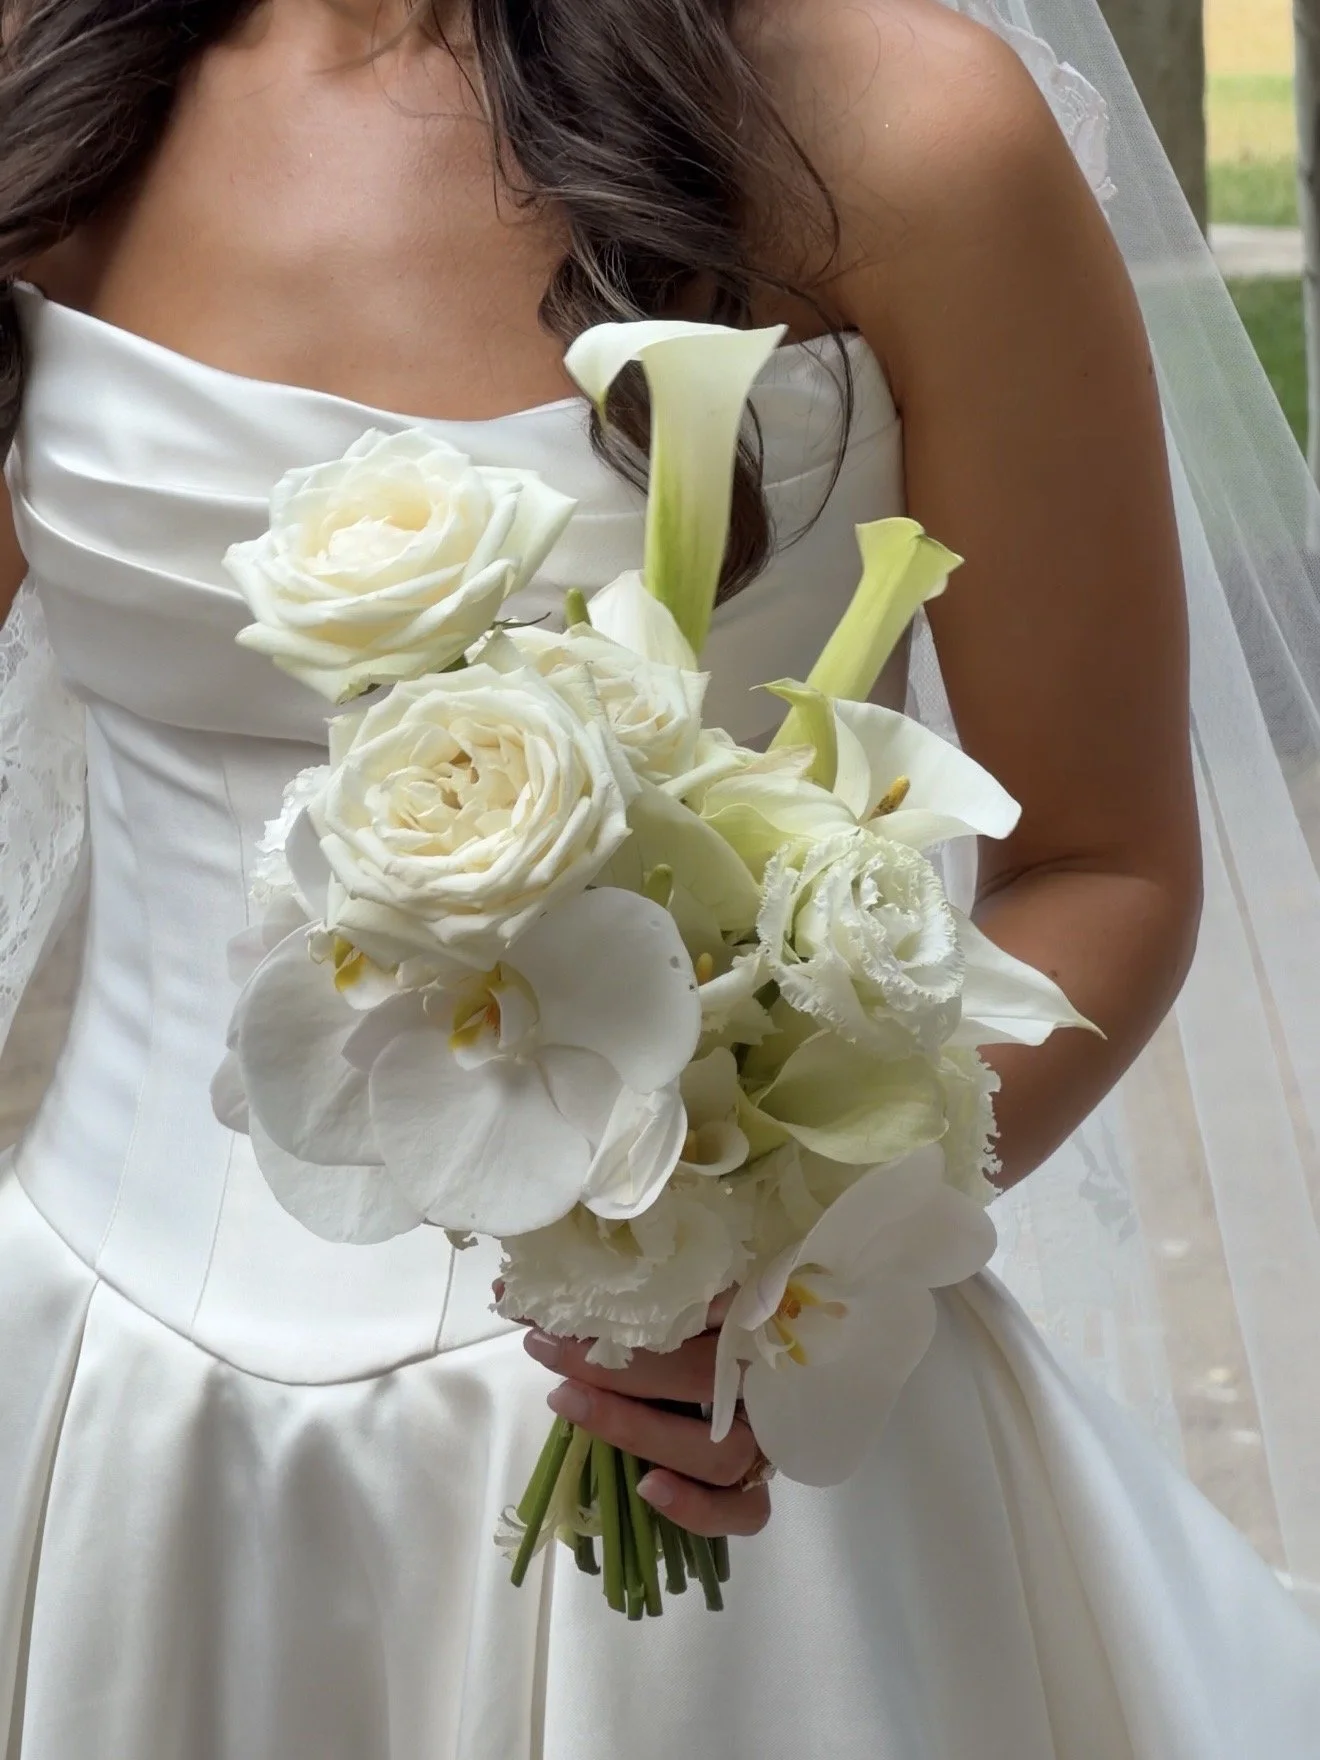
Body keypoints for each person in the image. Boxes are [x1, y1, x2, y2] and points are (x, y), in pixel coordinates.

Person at [0, 0, 1317, 1755]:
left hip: (698, 1474)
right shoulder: (42, 93)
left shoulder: (900, 131)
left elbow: (1103, 860)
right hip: (100, 1391)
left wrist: (768, 1274)